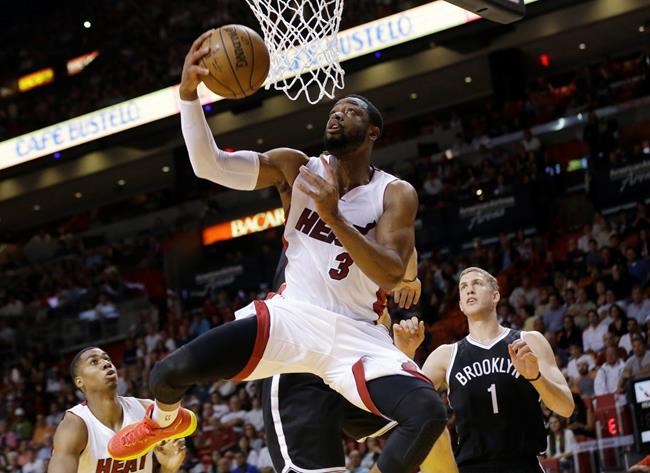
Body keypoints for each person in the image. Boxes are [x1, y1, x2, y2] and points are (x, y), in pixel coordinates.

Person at [108, 30, 448, 473]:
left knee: (428, 413)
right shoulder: (296, 167)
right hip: (292, 318)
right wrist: (189, 96)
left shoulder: (394, 193)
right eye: (333, 110)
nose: (336, 115)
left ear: (373, 133)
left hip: (357, 334)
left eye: (349, 111)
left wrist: (333, 216)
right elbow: (209, 166)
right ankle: (164, 420)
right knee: (166, 375)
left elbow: (389, 272)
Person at [261, 247, 457, 473]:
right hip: (300, 358)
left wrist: (404, 351)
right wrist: (409, 276)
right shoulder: (310, 228)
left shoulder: (374, 292)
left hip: (349, 359)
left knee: (430, 433)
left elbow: (405, 246)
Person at [422, 267, 574, 473]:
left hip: (523, 464)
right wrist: (406, 350)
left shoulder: (529, 341)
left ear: (495, 296)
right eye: (463, 287)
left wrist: (535, 377)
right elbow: (410, 404)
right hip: (471, 467)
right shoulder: (445, 355)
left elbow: (566, 407)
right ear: (460, 305)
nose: (469, 290)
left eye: (477, 284)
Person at [48, 347, 187, 473]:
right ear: (80, 381)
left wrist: (169, 468)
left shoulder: (146, 410)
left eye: (107, 359)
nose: (106, 363)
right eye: (94, 362)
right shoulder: (75, 425)